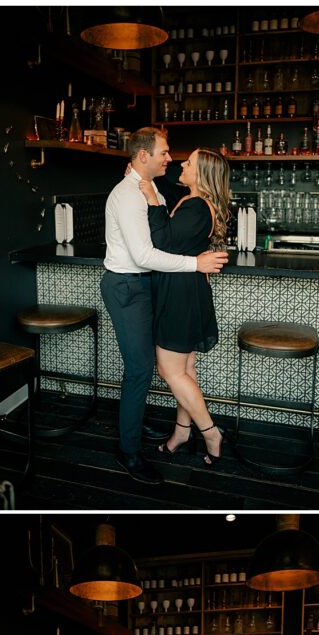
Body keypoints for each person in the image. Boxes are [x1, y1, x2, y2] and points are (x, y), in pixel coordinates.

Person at [101, 127, 228, 486]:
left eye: (180, 159)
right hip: (128, 286)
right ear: (144, 157)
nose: (170, 160)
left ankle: (182, 431)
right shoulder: (130, 194)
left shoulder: (152, 188)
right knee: (143, 370)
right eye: (165, 153)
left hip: (154, 287)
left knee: (173, 368)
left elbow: (166, 220)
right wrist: (195, 264)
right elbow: (146, 253)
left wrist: (193, 261)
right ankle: (130, 451)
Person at [138, 148, 231, 467]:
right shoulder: (196, 203)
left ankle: (210, 432)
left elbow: (162, 242)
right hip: (185, 291)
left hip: (180, 295)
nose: (181, 164)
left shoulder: (196, 205)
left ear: (202, 173)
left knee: (169, 370)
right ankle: (181, 431)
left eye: (189, 162)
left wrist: (151, 196)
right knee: (185, 371)